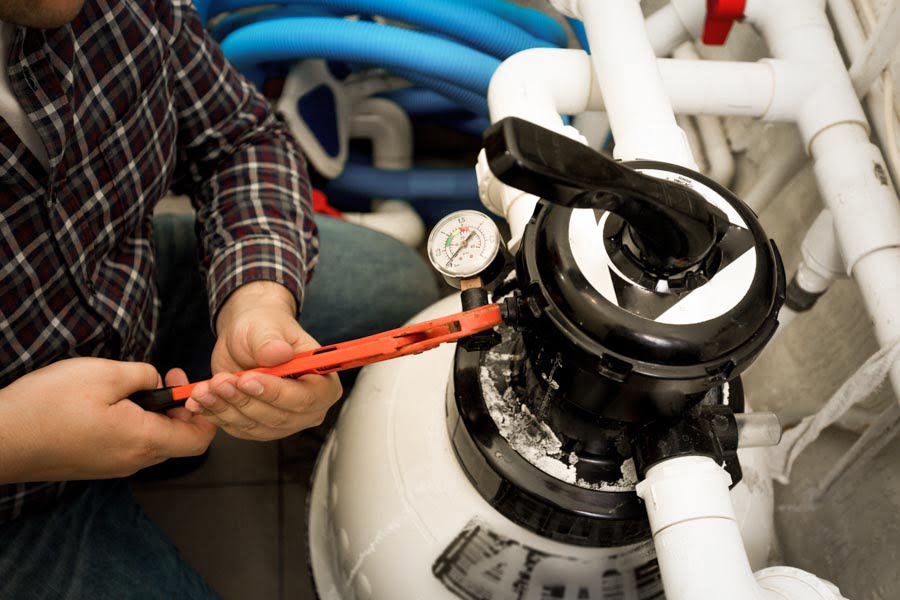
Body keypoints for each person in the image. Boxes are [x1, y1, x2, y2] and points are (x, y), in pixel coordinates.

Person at [0, 0, 439, 597]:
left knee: (392, 285)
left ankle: (155, 448)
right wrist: (16, 440)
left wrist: (256, 300)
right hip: (14, 498)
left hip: (118, 291)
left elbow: (240, 140)